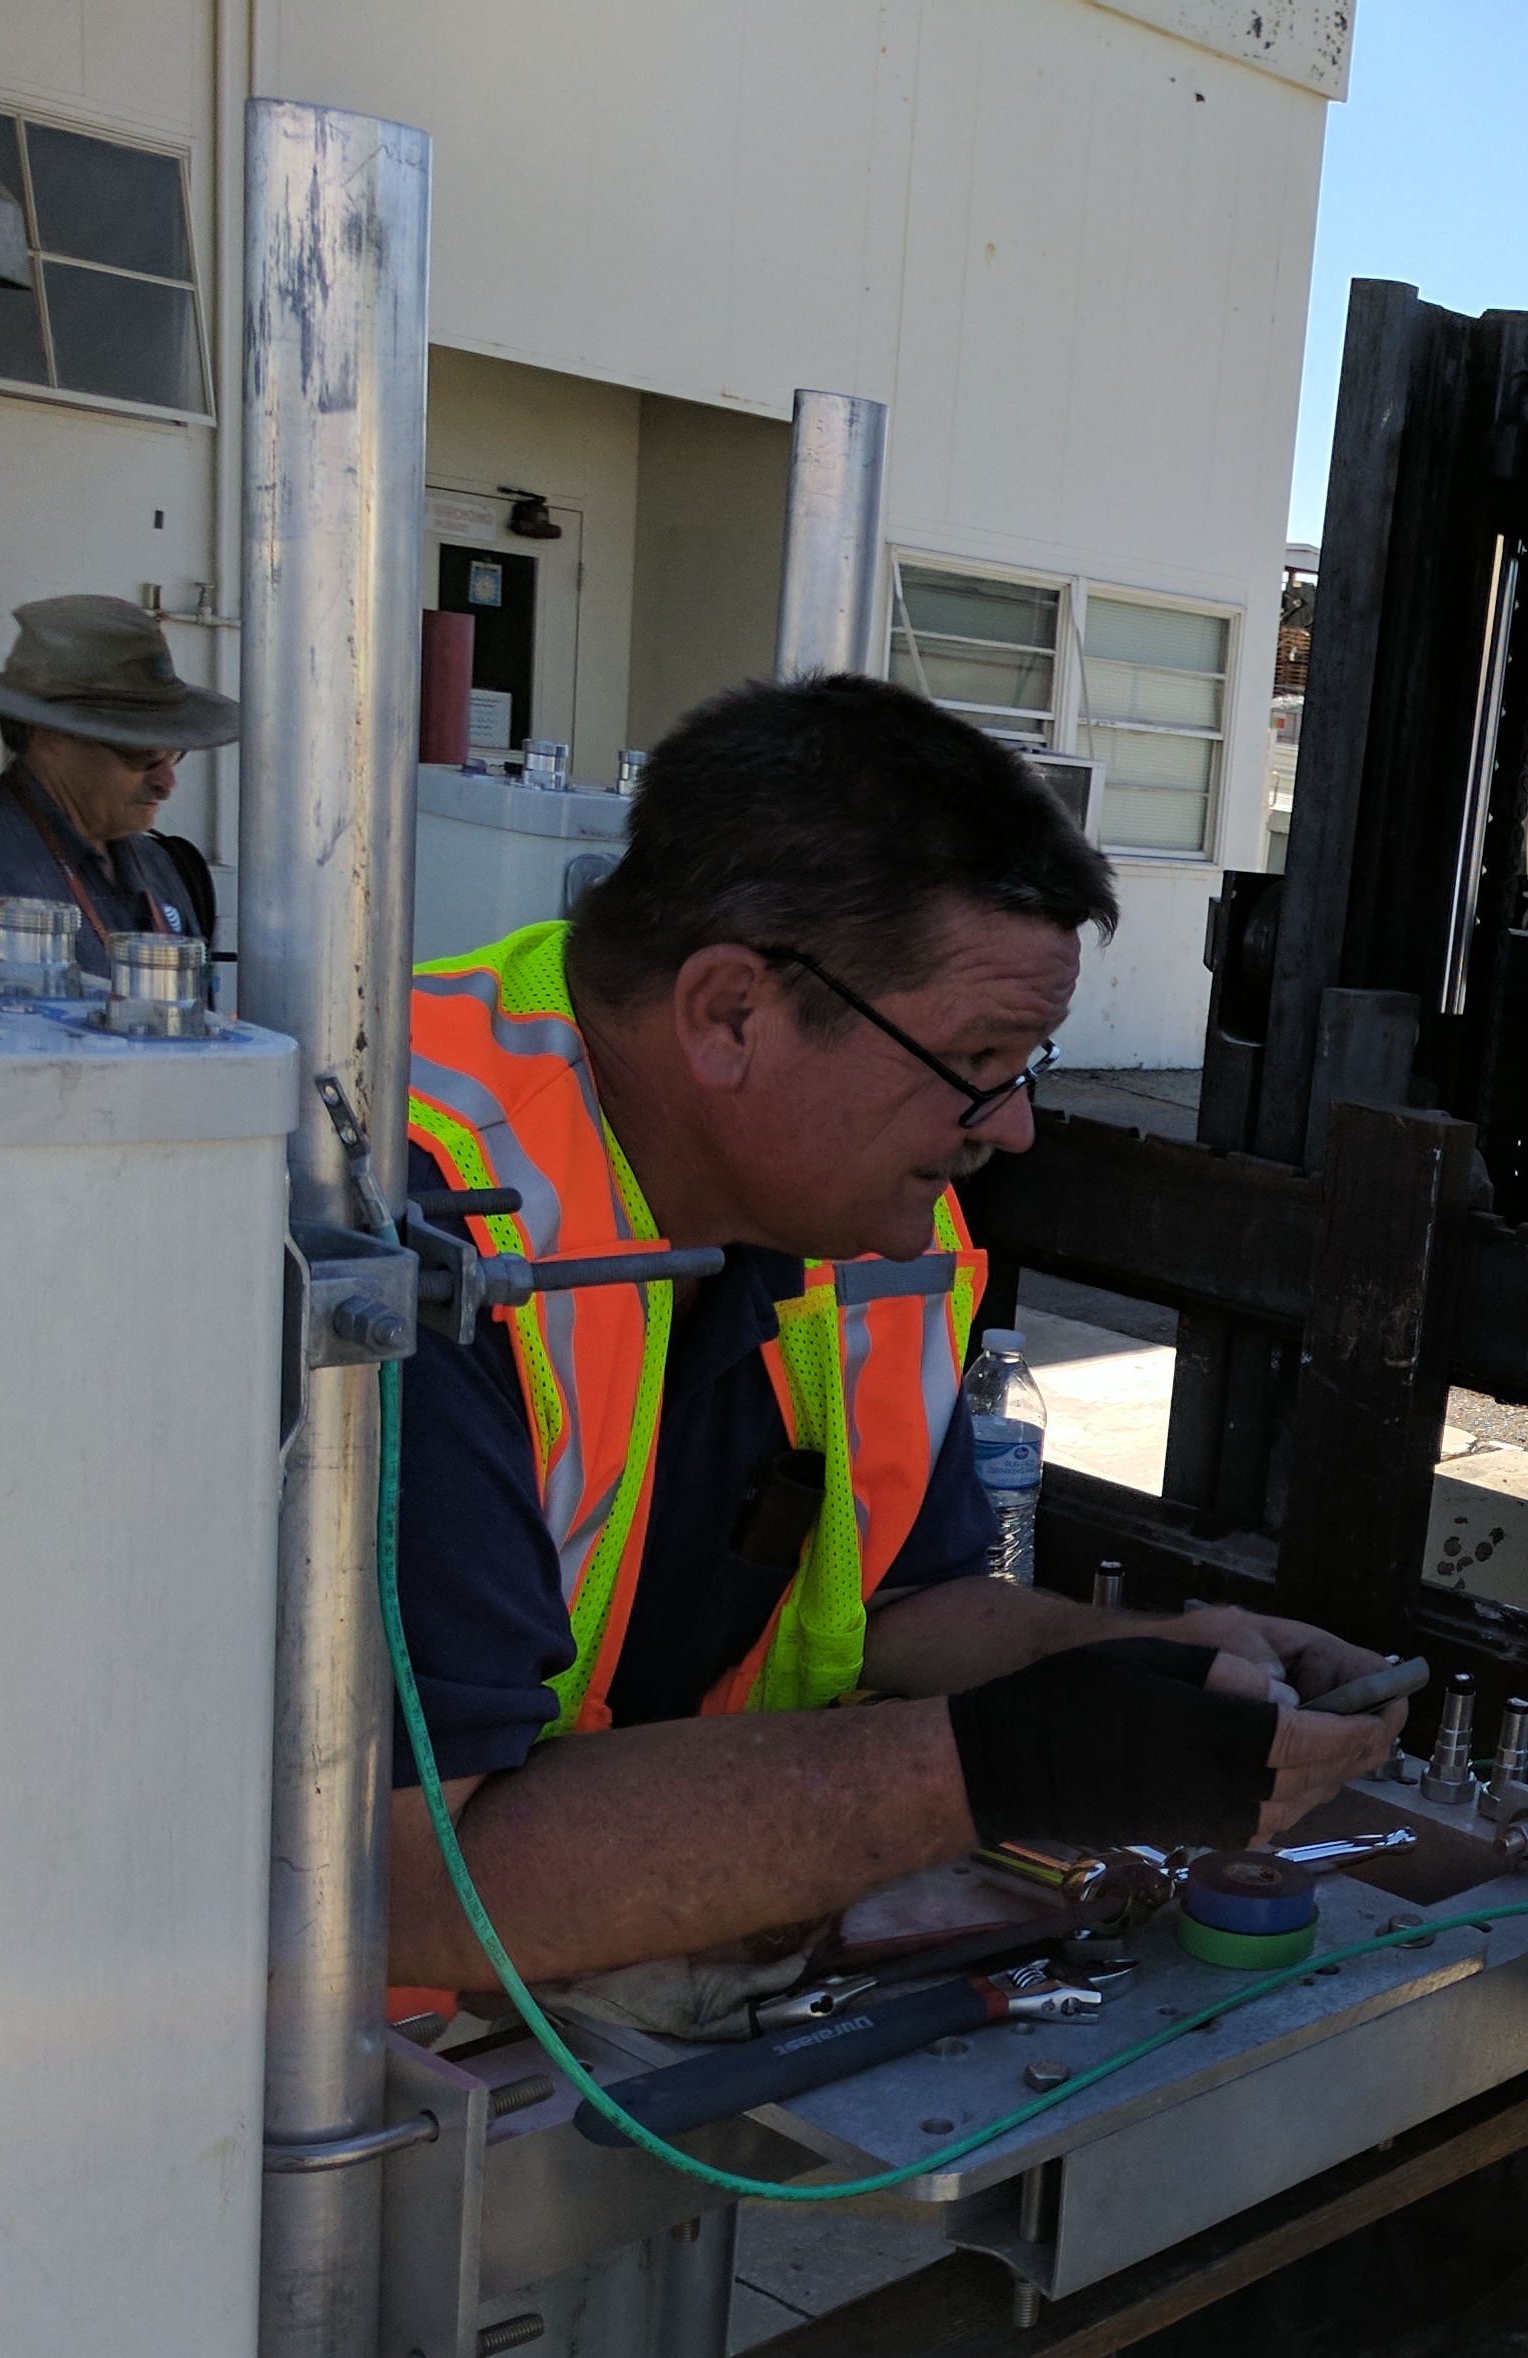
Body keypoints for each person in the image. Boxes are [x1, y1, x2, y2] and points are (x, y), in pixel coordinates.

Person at [386, 675, 1401, 1994]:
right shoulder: (413, 1232)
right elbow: (416, 1884)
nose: (1014, 1123)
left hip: (630, 2008)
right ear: (731, 1013)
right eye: (981, 1057)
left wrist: (1133, 1668)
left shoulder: (865, 1239)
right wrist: (1012, 1765)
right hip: (335, 2101)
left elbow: (902, 1600)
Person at [0, 592, 232, 963]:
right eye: (142, 754)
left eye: (175, 753)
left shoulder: (157, 864)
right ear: (51, 736)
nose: (167, 782)